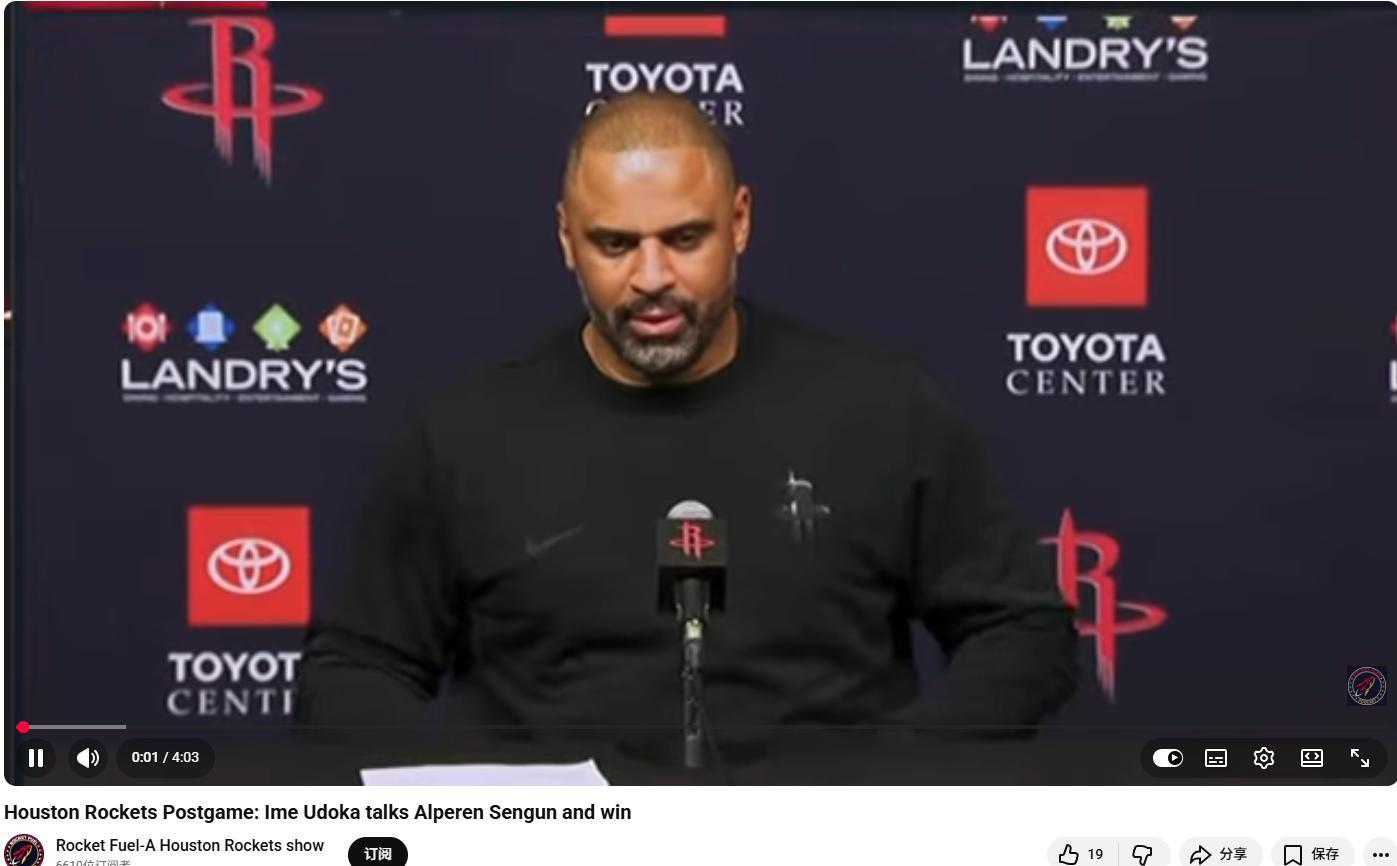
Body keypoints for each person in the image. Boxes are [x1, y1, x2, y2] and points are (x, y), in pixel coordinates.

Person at [297, 92, 1078, 749]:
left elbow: (1022, 632)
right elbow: (356, 668)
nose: (651, 277)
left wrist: (891, 783)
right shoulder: (463, 437)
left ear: (738, 222)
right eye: (614, 244)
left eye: (684, 238)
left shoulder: (883, 410)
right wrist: (474, 804)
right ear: (566, 238)